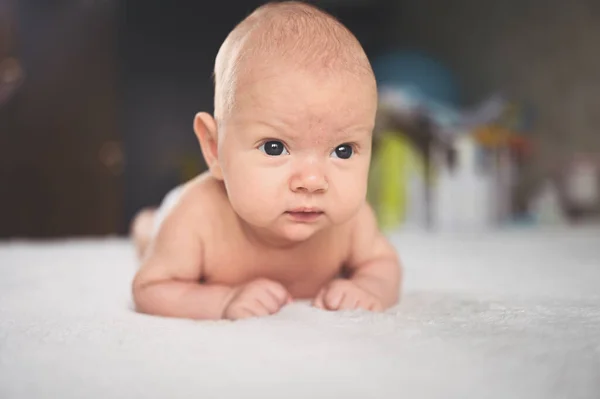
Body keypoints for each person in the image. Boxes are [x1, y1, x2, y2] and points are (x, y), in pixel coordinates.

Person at [130, 1, 402, 320]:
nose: (313, 181)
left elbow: (382, 264)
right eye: (274, 147)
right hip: (172, 217)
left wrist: (370, 288)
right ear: (214, 148)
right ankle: (145, 223)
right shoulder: (196, 217)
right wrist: (223, 301)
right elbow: (150, 288)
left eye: (342, 150)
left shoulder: (351, 221)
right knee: (153, 234)